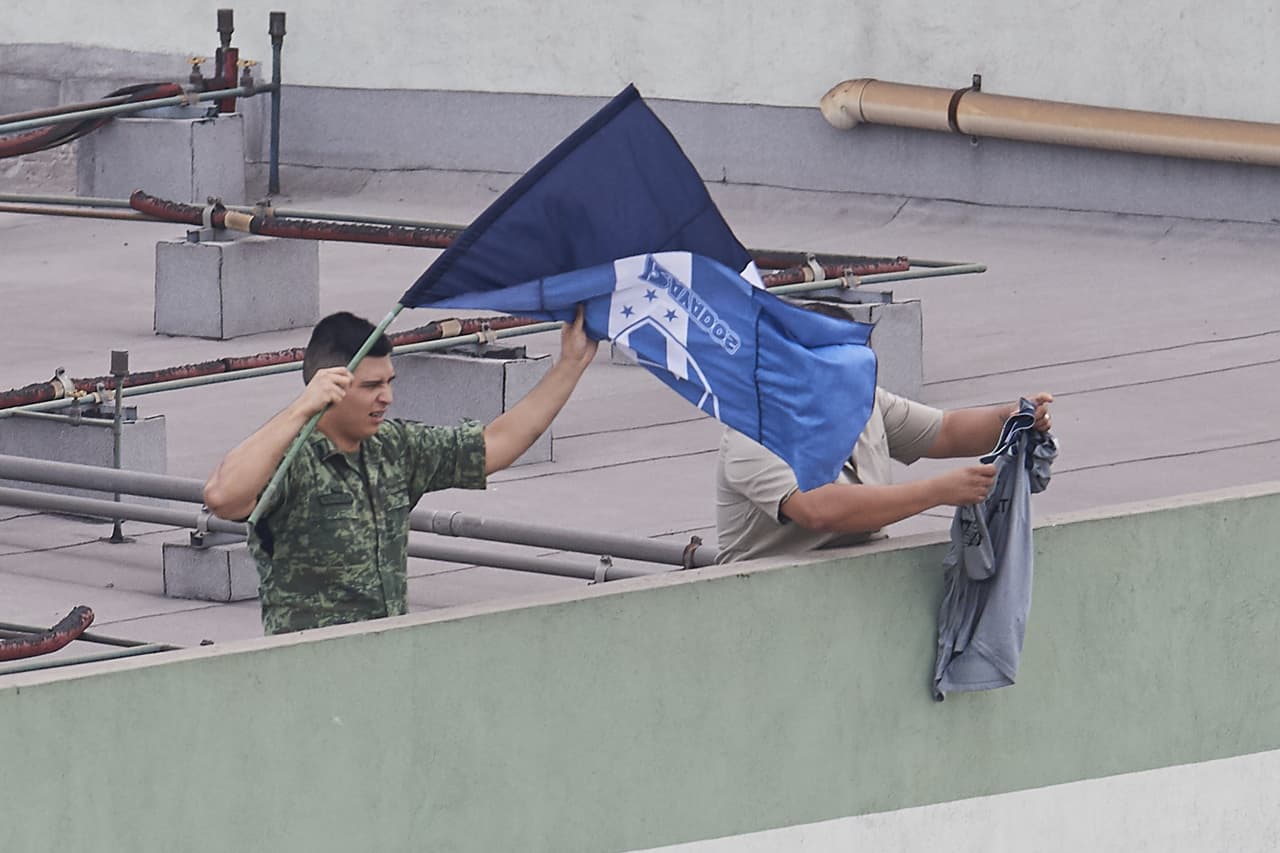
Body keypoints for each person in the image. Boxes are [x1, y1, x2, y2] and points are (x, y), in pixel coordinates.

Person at [203, 309, 598, 634]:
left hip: (387, 661)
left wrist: (570, 364)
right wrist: (299, 410)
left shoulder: (394, 447)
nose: (387, 397)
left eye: (389, 382)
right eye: (371, 386)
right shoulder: (292, 459)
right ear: (328, 387)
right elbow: (223, 497)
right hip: (309, 670)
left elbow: (495, 445)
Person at [715, 306, 1052, 563]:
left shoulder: (863, 400)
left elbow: (947, 431)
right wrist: (937, 491)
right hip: (764, 599)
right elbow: (818, 509)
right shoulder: (753, 431)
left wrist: (1009, 418)